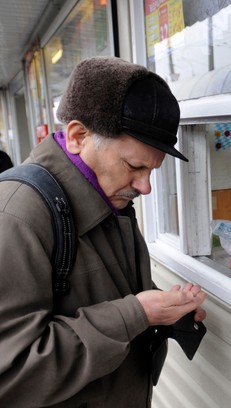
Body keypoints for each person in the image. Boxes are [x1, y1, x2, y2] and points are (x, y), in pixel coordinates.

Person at [0, 56, 207, 406]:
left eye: (153, 170)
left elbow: (107, 294)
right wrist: (137, 314)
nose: (145, 187)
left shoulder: (110, 199)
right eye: (134, 166)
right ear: (79, 136)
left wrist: (167, 312)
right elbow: (13, 371)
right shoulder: (16, 215)